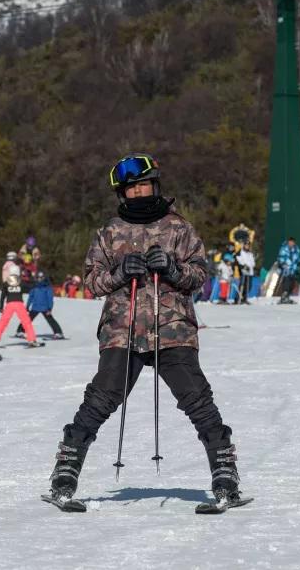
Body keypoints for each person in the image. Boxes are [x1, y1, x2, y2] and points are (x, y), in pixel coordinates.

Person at [46, 153, 244, 508]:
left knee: (197, 399)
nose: (140, 193)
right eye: (132, 189)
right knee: (100, 399)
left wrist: (171, 268)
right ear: (122, 194)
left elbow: (199, 277)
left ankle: (224, 470)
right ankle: (66, 467)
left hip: (172, 330)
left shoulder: (179, 229)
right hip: (122, 331)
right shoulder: (109, 232)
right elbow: (93, 282)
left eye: (145, 186)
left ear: (155, 185)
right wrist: (120, 274)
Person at [18, 271, 65, 339]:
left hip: (45, 308)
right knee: (27, 319)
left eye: (41, 277)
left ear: (44, 278)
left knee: (51, 320)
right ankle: (20, 331)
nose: (39, 279)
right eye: (38, 277)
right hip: (35, 307)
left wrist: (49, 308)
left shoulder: (47, 287)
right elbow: (31, 297)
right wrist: (27, 306)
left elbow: (50, 299)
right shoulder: (34, 287)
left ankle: (58, 333)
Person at [0, 273, 37, 350]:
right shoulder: (21, 282)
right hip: (19, 303)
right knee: (26, 322)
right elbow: (31, 286)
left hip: (10, 304)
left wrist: (1, 306)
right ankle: (31, 340)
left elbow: (3, 296)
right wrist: (32, 279)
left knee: (3, 322)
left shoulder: (6, 283)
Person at [276, 237, 300, 304]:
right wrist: (283, 263)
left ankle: (287, 297)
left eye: (293, 242)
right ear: (288, 242)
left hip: (293, 270)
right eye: (290, 242)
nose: (291, 243)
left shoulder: (296, 250)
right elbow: (280, 257)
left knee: (292, 284)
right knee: (286, 283)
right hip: (286, 269)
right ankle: (283, 297)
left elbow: (298, 258)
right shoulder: (284, 249)